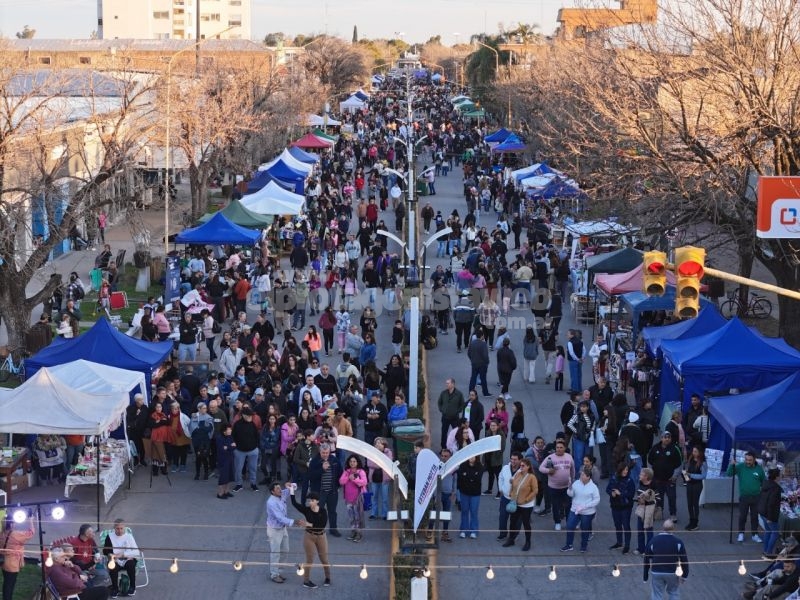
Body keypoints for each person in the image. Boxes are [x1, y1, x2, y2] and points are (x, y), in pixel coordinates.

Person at [266, 482, 309, 584]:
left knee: (285, 550)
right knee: (275, 553)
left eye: (280, 488)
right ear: (272, 492)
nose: (280, 490)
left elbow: (294, 487)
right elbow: (280, 518)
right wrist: (295, 522)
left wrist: (290, 485)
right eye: (277, 488)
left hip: (282, 528)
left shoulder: (281, 494)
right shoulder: (271, 502)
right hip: (274, 530)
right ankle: (274, 574)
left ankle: (279, 572)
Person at [290, 490, 331, 589]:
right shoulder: (307, 510)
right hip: (309, 536)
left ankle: (328, 577)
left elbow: (322, 525)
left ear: (317, 501)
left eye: (312, 500)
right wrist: (292, 491)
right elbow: (294, 503)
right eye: (309, 501)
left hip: (321, 536)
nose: (310, 502)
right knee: (309, 559)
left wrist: (308, 524)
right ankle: (306, 581)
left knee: (324, 559)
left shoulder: (323, 511)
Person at [643, 520, 689, 600]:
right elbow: (684, 560)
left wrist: (645, 576)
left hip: (656, 572)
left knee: (657, 594)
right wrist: (684, 575)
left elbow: (647, 557)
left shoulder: (653, 541)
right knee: (673, 592)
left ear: (663, 528)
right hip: (672, 572)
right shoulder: (678, 542)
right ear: (673, 529)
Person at [727, 451, 766, 543]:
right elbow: (729, 474)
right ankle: (741, 533)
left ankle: (754, 534)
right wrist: (731, 465)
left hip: (756, 497)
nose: (747, 462)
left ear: (754, 459)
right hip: (744, 497)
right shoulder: (740, 466)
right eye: (746, 459)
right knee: (742, 516)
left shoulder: (759, 469)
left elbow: (763, 482)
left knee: (754, 517)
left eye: (750, 460)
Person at [561, 466, 601, 553]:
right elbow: (571, 494)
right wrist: (569, 488)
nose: (581, 476)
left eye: (583, 475)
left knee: (585, 529)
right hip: (575, 510)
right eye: (581, 474)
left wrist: (585, 506)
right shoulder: (576, 483)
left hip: (587, 512)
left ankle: (584, 546)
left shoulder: (593, 487)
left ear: (588, 477)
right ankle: (569, 545)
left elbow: (597, 500)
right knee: (570, 526)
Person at [502, 458, 538, 551]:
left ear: (528, 467)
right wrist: (511, 494)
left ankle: (528, 542)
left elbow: (535, 491)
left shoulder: (532, 477)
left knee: (526, 523)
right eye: (520, 465)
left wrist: (526, 499)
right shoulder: (518, 474)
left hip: (526, 505)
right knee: (513, 522)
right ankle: (511, 539)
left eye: (523, 466)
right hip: (516, 504)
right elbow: (513, 485)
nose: (521, 467)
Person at [539, 439, 576, 531]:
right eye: (557, 447)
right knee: (555, 506)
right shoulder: (550, 458)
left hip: (566, 487)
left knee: (568, 506)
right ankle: (557, 522)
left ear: (565, 448)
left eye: (561, 447)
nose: (559, 449)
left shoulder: (569, 457)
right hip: (553, 487)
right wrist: (548, 470)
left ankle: (569, 523)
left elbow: (572, 470)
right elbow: (541, 468)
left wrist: (572, 482)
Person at [308, 443, 343, 537]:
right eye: (323, 453)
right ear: (320, 452)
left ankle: (333, 529)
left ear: (329, 452)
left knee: (332, 511)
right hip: (319, 492)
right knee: (318, 511)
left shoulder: (334, 460)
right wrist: (322, 469)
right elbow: (311, 476)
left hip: (332, 491)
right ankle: (317, 529)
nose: (325, 454)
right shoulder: (314, 461)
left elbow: (340, 473)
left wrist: (338, 486)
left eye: (327, 453)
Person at [648, 431, 683, 523]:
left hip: (670, 479)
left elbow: (679, 464)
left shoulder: (675, 449)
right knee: (658, 497)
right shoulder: (655, 448)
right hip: (657, 479)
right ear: (661, 438)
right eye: (665, 437)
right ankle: (659, 512)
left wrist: (675, 476)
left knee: (672, 497)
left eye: (669, 437)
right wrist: (651, 474)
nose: (667, 439)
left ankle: (673, 514)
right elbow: (650, 462)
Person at [102, 518, 139, 598]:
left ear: (124, 527)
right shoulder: (110, 536)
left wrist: (123, 555)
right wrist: (110, 555)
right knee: (112, 567)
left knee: (131, 564)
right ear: (114, 528)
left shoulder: (129, 537)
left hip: (127, 559)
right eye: (117, 528)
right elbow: (105, 551)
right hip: (115, 560)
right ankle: (115, 588)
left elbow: (136, 552)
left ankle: (132, 586)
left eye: (121, 528)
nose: (120, 531)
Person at [1, 513, 34, 600]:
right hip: (12, 565)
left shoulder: (2, 533)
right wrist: (30, 521)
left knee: (7, 584)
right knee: (9, 586)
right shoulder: (15, 534)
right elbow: (30, 533)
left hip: (4, 562)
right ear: (12, 524)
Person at [607, 462, 636, 554]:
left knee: (626, 526)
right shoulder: (614, 478)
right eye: (624, 470)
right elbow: (608, 488)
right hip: (615, 505)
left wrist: (620, 494)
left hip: (626, 506)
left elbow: (631, 494)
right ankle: (619, 543)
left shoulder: (630, 481)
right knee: (617, 525)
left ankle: (627, 546)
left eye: (626, 470)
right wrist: (611, 493)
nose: (625, 471)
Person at [339, 455, 368, 543]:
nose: (352, 463)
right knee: (351, 517)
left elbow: (364, 482)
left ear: (357, 462)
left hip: (358, 498)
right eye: (351, 461)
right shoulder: (346, 472)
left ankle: (359, 533)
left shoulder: (361, 472)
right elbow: (341, 481)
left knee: (358, 516)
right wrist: (348, 477)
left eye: (354, 461)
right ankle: (353, 531)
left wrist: (355, 479)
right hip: (348, 498)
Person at [232, 407, 260, 492]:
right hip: (240, 451)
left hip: (253, 450)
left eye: (251, 415)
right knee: (238, 469)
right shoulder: (237, 424)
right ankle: (239, 484)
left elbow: (257, 436)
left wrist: (256, 446)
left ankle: (253, 484)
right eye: (249, 415)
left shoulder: (252, 424)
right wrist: (235, 447)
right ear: (244, 415)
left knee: (253, 468)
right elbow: (233, 436)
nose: (251, 417)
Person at [758, 468, 783, 559]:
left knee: (768, 531)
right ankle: (768, 553)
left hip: (763, 512)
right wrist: (770, 517)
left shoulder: (766, 484)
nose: (781, 476)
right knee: (775, 533)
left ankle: (765, 551)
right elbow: (771, 504)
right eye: (780, 475)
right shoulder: (776, 488)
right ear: (776, 477)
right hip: (769, 515)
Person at [457, 456, 484, 539]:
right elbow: (460, 478)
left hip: (475, 493)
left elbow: (477, 478)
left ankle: (473, 531)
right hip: (464, 492)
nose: (471, 458)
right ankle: (463, 530)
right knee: (464, 511)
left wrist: (466, 476)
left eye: (473, 457)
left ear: (476, 457)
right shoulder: (462, 465)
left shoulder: (480, 466)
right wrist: (471, 478)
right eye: (470, 457)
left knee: (474, 512)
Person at [635, 467, 659, 555]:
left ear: (646, 477)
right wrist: (639, 499)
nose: (639, 475)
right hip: (641, 510)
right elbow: (638, 495)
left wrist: (647, 501)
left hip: (649, 512)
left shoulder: (653, 486)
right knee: (640, 530)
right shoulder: (640, 484)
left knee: (649, 532)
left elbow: (658, 499)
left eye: (641, 474)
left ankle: (648, 551)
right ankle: (640, 549)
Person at [367, 438, 393, 520]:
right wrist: (381, 464)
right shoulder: (371, 452)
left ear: (384, 445)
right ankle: (374, 513)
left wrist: (378, 463)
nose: (377, 444)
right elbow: (369, 463)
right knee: (374, 497)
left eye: (379, 443)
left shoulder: (388, 452)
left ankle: (384, 514)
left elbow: (388, 463)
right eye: (376, 443)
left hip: (384, 479)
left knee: (385, 498)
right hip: (374, 478)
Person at [683, 445, 707, 531]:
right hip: (689, 483)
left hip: (697, 485)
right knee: (689, 504)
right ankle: (691, 521)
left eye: (695, 451)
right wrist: (686, 473)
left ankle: (695, 523)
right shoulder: (691, 459)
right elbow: (688, 469)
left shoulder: (703, 463)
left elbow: (703, 476)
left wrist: (691, 475)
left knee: (695, 504)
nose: (693, 453)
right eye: (693, 451)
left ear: (700, 452)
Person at [437, 378, 465, 449]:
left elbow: (462, 404)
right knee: (444, 433)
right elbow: (439, 402)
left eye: (448, 383)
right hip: (445, 417)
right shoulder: (443, 393)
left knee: (457, 433)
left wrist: (457, 411)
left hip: (455, 418)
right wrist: (442, 410)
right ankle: (443, 448)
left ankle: (457, 447)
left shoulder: (459, 394)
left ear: (453, 384)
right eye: (446, 383)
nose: (446, 384)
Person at [467, 329, 491, 397]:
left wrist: (472, 359)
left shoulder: (472, 343)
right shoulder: (483, 344)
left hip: (474, 363)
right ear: (482, 336)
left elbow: (468, 353)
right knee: (483, 378)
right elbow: (485, 355)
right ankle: (485, 393)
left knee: (473, 378)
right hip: (482, 364)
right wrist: (487, 362)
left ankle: (471, 391)